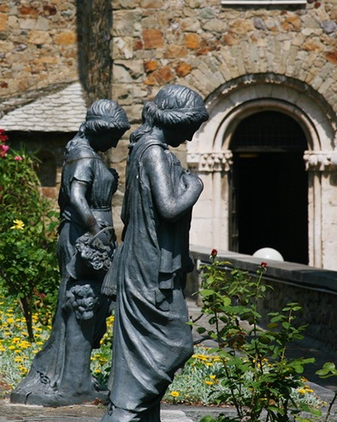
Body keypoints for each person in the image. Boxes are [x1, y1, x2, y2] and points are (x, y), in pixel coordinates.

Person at [10, 99, 130, 407]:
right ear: (100, 130)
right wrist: (96, 232)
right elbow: (77, 198)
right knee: (83, 303)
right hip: (84, 238)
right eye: (114, 135)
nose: (116, 142)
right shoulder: (81, 153)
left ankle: (75, 376)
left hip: (93, 235)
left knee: (94, 303)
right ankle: (71, 382)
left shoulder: (87, 152)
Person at [101, 85, 209, 422]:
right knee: (175, 344)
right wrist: (195, 185)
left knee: (141, 349)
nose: (191, 135)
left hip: (139, 260)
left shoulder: (139, 150)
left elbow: (128, 214)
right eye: (191, 126)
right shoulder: (156, 154)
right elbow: (170, 206)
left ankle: (137, 414)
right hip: (148, 268)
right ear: (177, 120)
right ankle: (124, 412)